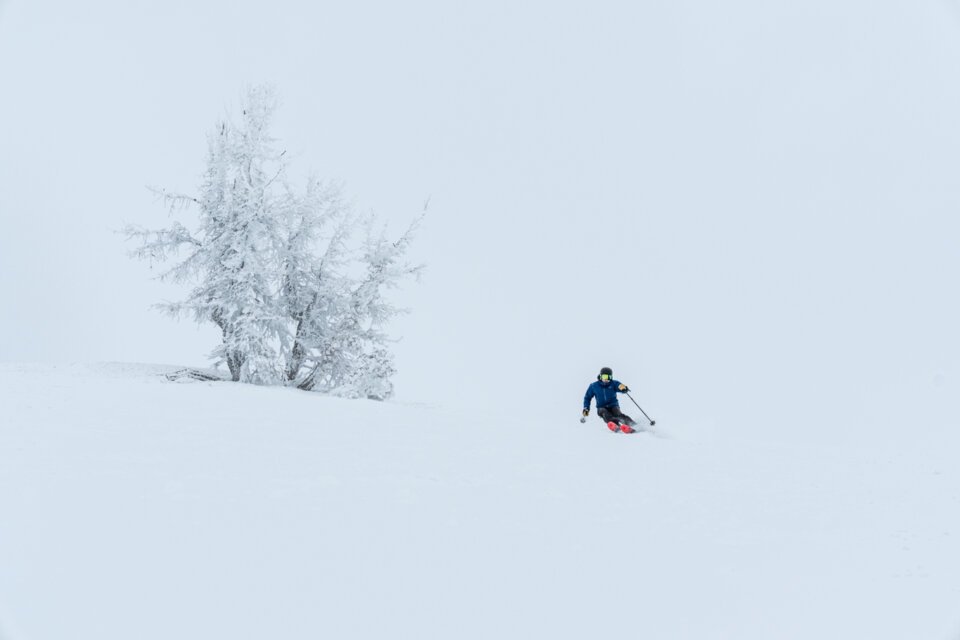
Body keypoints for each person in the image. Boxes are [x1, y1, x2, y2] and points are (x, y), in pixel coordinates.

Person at [582, 366, 638, 433]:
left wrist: (624, 388)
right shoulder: (594, 386)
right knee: (604, 413)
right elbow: (587, 398)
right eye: (604, 377)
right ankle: (615, 425)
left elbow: (619, 385)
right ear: (600, 376)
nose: (606, 379)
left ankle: (633, 425)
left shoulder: (614, 383)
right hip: (601, 407)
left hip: (613, 405)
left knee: (618, 413)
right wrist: (586, 408)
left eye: (609, 377)